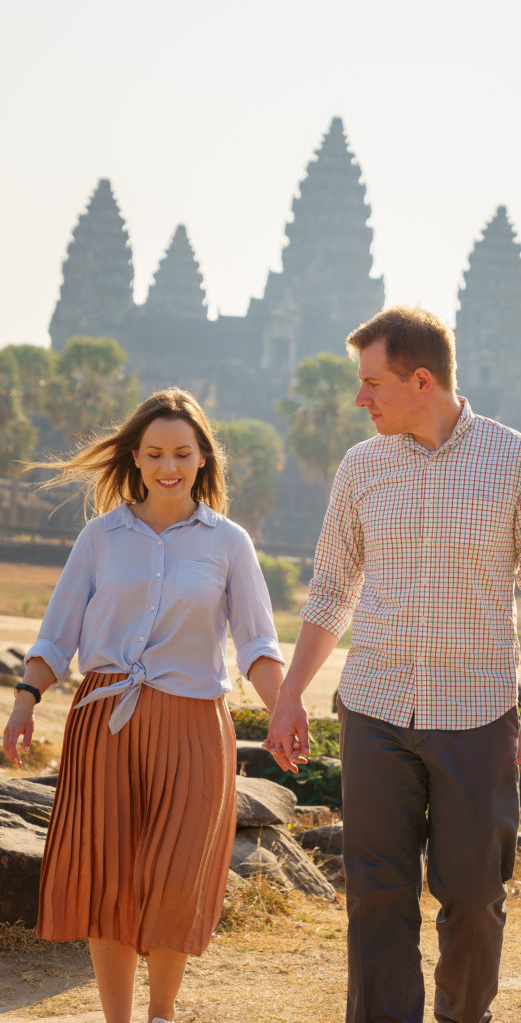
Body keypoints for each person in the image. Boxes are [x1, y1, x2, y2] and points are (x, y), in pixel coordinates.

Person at [265, 306, 521, 1023]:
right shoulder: (360, 466)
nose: (359, 399)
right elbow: (332, 588)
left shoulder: (518, 460)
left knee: (472, 895)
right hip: (373, 708)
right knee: (376, 892)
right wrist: (288, 697)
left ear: (421, 379)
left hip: (475, 713)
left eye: (371, 383)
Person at [2, 387, 296, 1023]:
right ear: (135, 457)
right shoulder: (100, 537)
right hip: (103, 722)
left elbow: (257, 643)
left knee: (176, 875)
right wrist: (25, 700)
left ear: (202, 458)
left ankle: (162, 1014)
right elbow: (58, 633)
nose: (169, 466)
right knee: (108, 878)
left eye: (182, 453)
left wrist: (285, 710)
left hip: (194, 725)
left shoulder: (229, 543)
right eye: (156, 453)